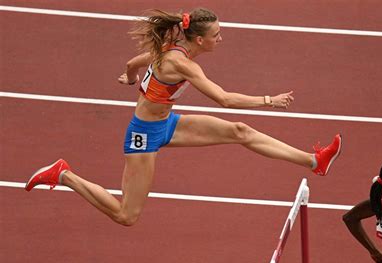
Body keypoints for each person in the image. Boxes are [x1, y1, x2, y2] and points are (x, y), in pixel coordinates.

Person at [25, 8, 342, 226]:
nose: (221, 38)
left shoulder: (170, 49)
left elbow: (133, 61)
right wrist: (269, 100)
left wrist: (131, 77)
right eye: (217, 35)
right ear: (200, 40)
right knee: (126, 216)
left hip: (167, 124)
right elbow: (224, 99)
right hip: (144, 133)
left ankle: (316, 162)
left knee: (240, 131)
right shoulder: (183, 64)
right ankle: (64, 174)